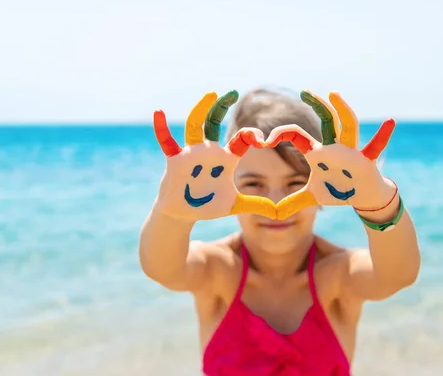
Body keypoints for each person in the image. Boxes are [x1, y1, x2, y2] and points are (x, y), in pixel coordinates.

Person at [139, 88, 421, 375]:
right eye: (253, 183)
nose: (275, 200)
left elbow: (398, 273)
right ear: (227, 185)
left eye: (296, 182)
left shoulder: (338, 275)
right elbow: (161, 266)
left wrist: (379, 202)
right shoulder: (217, 270)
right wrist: (171, 213)